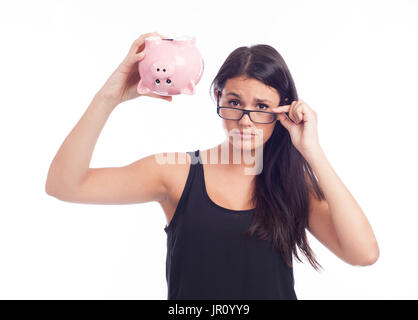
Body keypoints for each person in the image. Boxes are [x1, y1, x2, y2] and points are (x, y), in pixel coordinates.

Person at [45, 31, 380, 300]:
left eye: (262, 106)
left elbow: (363, 254)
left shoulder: (292, 185)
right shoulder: (175, 172)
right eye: (234, 102)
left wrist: (313, 151)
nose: (246, 120)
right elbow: (65, 185)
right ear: (217, 97)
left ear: (283, 112)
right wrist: (109, 97)